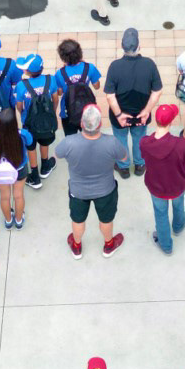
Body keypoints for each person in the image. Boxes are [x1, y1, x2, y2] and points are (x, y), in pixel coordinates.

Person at [54, 104, 129, 259]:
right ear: (100, 124)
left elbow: (57, 154)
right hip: (106, 190)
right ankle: (108, 245)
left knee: (78, 219)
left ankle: (76, 246)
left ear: (82, 124)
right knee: (106, 219)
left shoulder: (69, 142)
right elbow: (124, 158)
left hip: (78, 191)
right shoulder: (112, 142)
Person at [142, 102, 185, 254]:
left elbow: (144, 158)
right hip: (177, 185)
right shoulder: (181, 144)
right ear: (171, 121)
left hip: (156, 187)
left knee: (160, 214)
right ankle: (178, 226)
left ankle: (166, 245)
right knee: (178, 204)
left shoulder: (145, 142)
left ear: (156, 120)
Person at [104, 27, 161, 176]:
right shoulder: (149, 64)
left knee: (121, 138)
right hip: (141, 115)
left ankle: (123, 167)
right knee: (139, 138)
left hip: (120, 116)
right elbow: (157, 91)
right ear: (139, 46)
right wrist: (146, 111)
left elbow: (110, 96)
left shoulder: (115, 66)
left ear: (121, 46)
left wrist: (118, 115)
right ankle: (140, 165)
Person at [0, 106, 32, 229]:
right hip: (19, 169)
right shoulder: (23, 135)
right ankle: (18, 220)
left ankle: (8, 221)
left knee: (4, 196)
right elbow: (30, 141)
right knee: (18, 195)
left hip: (0, 170)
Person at [52, 38, 102, 138]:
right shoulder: (90, 67)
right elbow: (97, 86)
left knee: (70, 138)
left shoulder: (59, 73)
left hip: (68, 112)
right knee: (89, 137)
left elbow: (60, 93)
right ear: (80, 53)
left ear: (63, 57)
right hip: (87, 110)